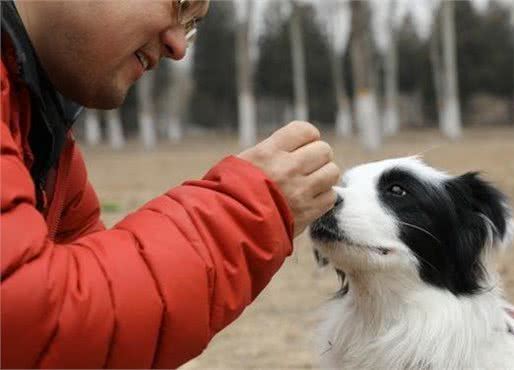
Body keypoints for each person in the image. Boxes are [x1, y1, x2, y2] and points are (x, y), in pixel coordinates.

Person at [0, 1, 340, 368]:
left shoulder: (39, 131)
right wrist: (247, 211)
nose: (179, 46)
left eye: (191, 24)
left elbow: (100, 335)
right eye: (178, 4)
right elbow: (32, 321)